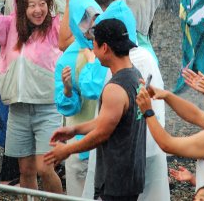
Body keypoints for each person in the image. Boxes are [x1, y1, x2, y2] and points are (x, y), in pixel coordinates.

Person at [0, 0, 66, 192]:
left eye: (42, 4)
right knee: (25, 171)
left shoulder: (55, 27)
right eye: (31, 5)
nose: (38, 10)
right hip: (17, 108)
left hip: (47, 107)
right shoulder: (10, 27)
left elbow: (70, 10)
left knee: (45, 168)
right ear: (22, 6)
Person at [45, 18, 147, 201]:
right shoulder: (135, 75)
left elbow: (102, 133)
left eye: (94, 45)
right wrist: (74, 129)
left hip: (116, 180)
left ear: (105, 47)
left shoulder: (115, 88)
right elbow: (107, 121)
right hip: (131, 174)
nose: (93, 51)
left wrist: (68, 150)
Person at [54, 0, 102, 196]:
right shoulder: (68, 59)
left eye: (94, 16)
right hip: (81, 146)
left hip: (107, 142)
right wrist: (67, 90)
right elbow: (69, 106)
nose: (90, 23)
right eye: (83, 18)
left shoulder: (109, 47)